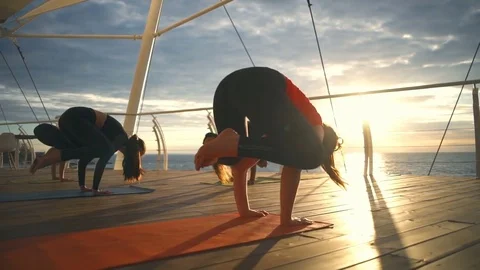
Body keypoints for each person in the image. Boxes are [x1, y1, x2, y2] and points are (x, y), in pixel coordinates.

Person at [195, 66, 346, 226]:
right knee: (310, 156)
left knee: (234, 159)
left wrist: (244, 211)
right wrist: (287, 220)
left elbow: (240, 169)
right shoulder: (315, 121)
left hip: (227, 87)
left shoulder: (270, 133)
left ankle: (223, 142)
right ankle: (230, 140)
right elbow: (303, 157)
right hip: (263, 82)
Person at [29, 106, 146, 195]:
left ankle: (47, 157)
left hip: (68, 119)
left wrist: (82, 186)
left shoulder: (110, 139)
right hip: (78, 118)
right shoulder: (120, 138)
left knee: (86, 150)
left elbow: (84, 159)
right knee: (104, 150)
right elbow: (102, 162)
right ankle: (53, 157)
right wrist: (95, 190)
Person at [203, 132, 267, 185]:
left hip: (250, 144)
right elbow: (219, 167)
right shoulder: (213, 154)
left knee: (259, 161)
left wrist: (252, 179)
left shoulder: (228, 146)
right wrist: (231, 178)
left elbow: (249, 157)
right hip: (244, 148)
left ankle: (261, 159)